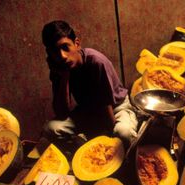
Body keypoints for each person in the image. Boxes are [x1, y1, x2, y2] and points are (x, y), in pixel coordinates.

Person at [41, 20, 139, 148]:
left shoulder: (96, 62)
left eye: (65, 47)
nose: (62, 56)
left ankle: (134, 123)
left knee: (122, 133)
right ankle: (80, 152)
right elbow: (62, 112)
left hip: (115, 109)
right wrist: (64, 76)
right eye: (55, 51)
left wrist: (105, 143)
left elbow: (107, 112)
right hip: (88, 111)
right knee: (51, 128)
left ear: (76, 44)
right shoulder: (58, 68)